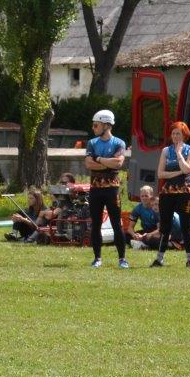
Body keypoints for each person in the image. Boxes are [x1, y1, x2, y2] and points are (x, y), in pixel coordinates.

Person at [84, 109, 128, 268]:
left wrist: (98, 159)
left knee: (117, 224)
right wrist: (108, 164)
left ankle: (122, 259)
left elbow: (118, 163)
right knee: (96, 224)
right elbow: (88, 164)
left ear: (106, 125)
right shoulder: (92, 143)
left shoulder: (119, 143)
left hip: (112, 190)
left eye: (96, 125)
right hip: (95, 189)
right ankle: (97, 258)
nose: (93, 128)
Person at [152, 121, 190, 267]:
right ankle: (159, 259)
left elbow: (187, 169)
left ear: (184, 135)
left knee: (186, 226)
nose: (175, 136)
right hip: (168, 193)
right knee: (165, 227)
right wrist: (178, 172)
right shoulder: (166, 151)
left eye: (178, 133)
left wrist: (179, 153)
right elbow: (160, 174)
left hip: (185, 193)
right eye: (173, 133)